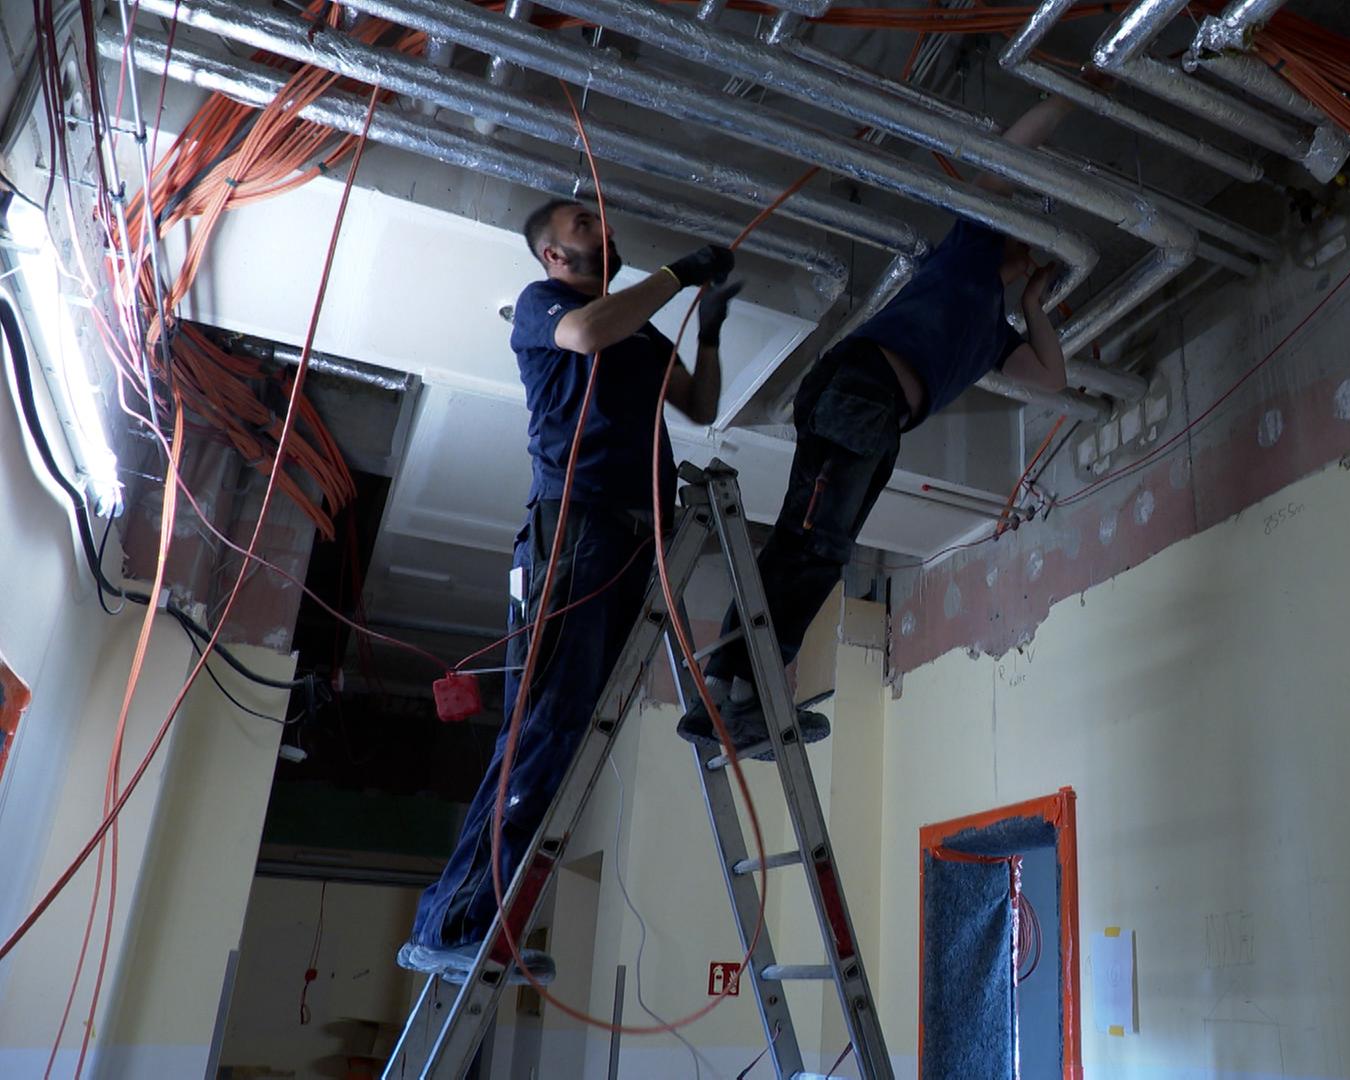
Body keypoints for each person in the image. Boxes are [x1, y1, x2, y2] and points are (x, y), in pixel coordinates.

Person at [397, 200, 741, 982]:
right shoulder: (543, 305)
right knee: (542, 731)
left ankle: (486, 923)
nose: (605, 226)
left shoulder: (637, 328)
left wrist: (708, 322)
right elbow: (586, 336)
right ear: (552, 254)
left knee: (570, 738)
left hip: (626, 539)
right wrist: (680, 272)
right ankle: (447, 922)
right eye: (585, 223)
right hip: (574, 533)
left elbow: (701, 404)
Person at [679, 96, 1074, 749]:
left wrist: (1032, 300)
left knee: (808, 546)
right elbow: (1006, 156)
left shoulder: (993, 338)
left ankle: (729, 688)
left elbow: (1052, 379)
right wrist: (1074, 95)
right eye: (1028, 248)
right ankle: (739, 693)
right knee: (813, 548)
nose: (1030, 256)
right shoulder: (970, 250)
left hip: (873, 415)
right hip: (861, 394)